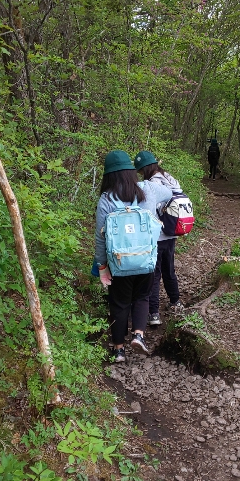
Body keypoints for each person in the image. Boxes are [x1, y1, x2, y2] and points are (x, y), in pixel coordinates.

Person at [95, 150, 172, 363]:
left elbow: (100, 236)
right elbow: (169, 193)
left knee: (119, 303)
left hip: (119, 262)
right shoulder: (147, 189)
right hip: (147, 259)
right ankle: (139, 335)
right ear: (131, 171)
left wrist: (102, 266)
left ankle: (119, 349)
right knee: (142, 297)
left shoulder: (106, 199)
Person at [134, 150, 184, 326]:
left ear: (145, 168)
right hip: (171, 233)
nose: (140, 173)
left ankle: (154, 313)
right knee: (169, 269)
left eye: (140, 170)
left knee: (154, 275)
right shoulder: (170, 178)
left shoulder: (151, 185)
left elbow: (148, 209)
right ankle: (175, 302)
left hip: (156, 236)